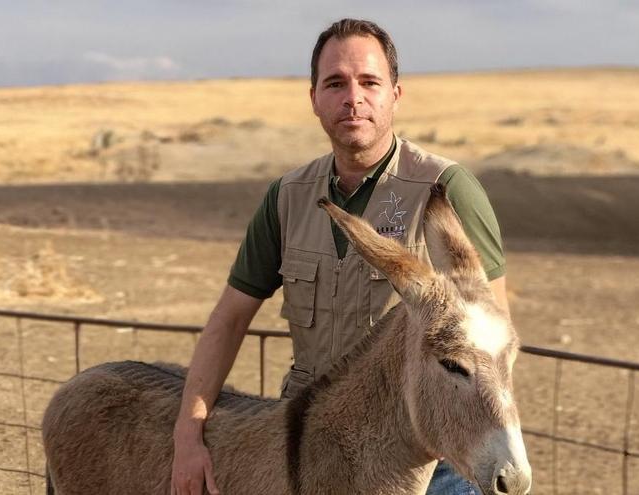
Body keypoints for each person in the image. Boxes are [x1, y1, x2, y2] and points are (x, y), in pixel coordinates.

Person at [170, 18, 509, 495]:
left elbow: (494, 341)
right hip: (310, 453)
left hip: (427, 464)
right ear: (314, 99)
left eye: (370, 82)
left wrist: (483, 443)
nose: (354, 97)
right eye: (336, 83)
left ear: (395, 93)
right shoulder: (287, 197)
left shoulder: (448, 190)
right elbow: (228, 319)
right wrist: (189, 434)